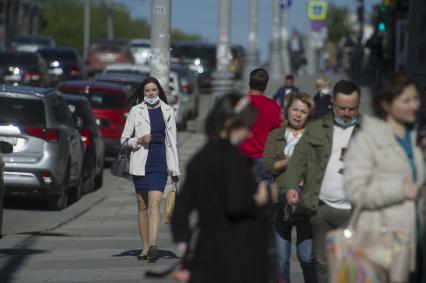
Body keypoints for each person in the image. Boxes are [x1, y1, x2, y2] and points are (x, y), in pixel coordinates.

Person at [171, 93, 277, 283]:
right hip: (240, 257)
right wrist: (262, 197)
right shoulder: (235, 160)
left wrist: (184, 248)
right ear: (230, 123)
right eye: (247, 127)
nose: (250, 134)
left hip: (207, 259)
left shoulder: (199, 159)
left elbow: (180, 212)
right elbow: (235, 204)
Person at [343, 72, 425, 283]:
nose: (414, 105)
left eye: (416, 98)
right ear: (386, 104)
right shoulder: (366, 140)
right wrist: (399, 190)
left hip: (417, 244)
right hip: (383, 246)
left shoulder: (416, 139)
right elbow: (355, 191)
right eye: (406, 100)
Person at [283, 80, 362, 283]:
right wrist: (291, 186)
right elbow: (298, 160)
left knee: (348, 264)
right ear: (333, 103)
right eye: (342, 108)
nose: (346, 113)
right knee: (321, 264)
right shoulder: (317, 127)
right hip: (321, 209)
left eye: (352, 109)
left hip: (353, 211)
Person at [121, 77, 180, 263]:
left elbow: (173, 144)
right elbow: (123, 140)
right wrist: (138, 141)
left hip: (160, 162)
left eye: (154, 90)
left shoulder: (168, 111)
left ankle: (153, 245)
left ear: (159, 91)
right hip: (140, 162)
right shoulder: (135, 111)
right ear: (143, 92)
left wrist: (174, 171)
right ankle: (144, 245)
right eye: (147, 90)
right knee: (142, 206)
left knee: (155, 203)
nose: (151, 93)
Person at [263, 92, 317, 283]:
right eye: (295, 109)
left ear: (309, 115)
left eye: (303, 111)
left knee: (307, 257)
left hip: (307, 201)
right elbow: (268, 165)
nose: (298, 114)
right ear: (287, 110)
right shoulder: (276, 135)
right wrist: (289, 162)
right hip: (281, 201)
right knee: (281, 259)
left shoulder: (316, 136)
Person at [240, 68, 282, 183]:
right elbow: (277, 134)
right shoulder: (273, 107)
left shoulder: (239, 103)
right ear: (265, 86)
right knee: (264, 197)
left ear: (249, 83)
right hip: (262, 158)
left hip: (239, 157)